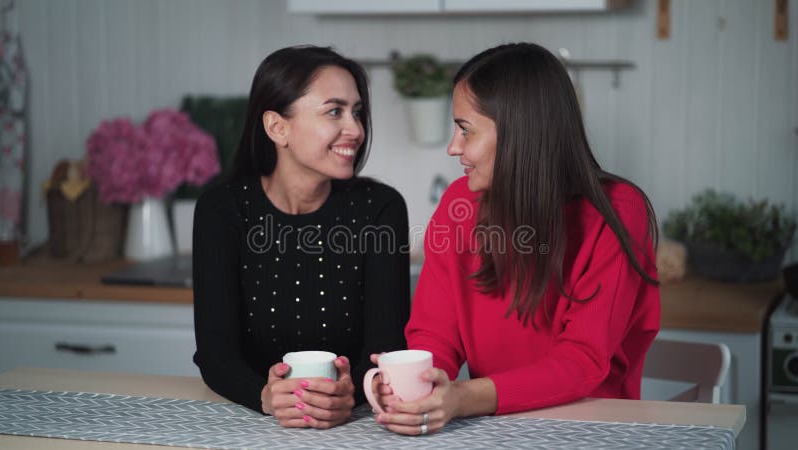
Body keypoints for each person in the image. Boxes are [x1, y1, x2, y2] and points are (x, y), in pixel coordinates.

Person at [371, 42, 660, 435]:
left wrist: (465, 397)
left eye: (465, 129)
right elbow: (435, 331)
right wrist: (423, 386)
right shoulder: (459, 203)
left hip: (594, 430)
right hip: (494, 428)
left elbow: (582, 361)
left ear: (519, 131)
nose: (454, 147)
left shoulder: (618, 212)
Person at [192, 45, 410, 429]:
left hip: (352, 424)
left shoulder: (381, 209)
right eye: (334, 111)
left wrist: (351, 394)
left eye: (356, 112)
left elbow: (386, 348)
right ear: (278, 127)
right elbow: (215, 356)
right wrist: (264, 395)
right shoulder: (222, 210)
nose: (356, 130)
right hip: (249, 423)